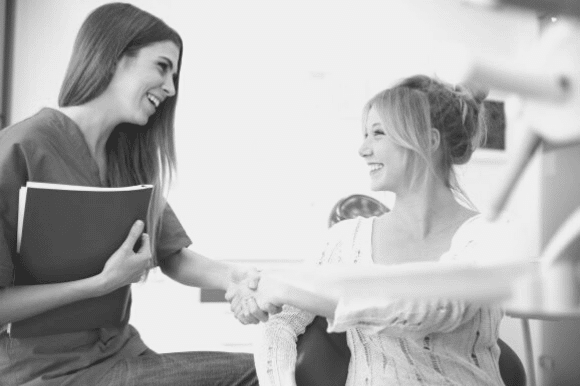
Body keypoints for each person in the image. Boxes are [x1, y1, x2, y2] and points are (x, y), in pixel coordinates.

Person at [0, 3, 275, 385]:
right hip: (47, 373)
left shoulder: (124, 160)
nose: (171, 88)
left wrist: (236, 276)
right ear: (113, 56)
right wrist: (99, 284)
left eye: (174, 74)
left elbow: (172, 256)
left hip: (122, 355)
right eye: (162, 67)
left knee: (276, 367)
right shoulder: (18, 151)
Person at [249, 75, 509, 385]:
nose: (363, 149)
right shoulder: (346, 240)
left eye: (378, 133)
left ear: (428, 140)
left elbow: (435, 308)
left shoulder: (487, 235)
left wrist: (288, 288)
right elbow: (278, 325)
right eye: (365, 134)